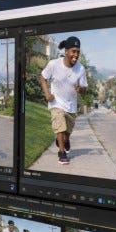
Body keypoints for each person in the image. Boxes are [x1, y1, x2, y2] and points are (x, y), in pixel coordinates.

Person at [39, 36, 88, 166]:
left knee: (67, 131)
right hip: (56, 103)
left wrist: (80, 88)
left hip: (71, 105)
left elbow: (84, 89)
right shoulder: (54, 64)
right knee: (60, 126)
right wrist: (47, 94)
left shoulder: (81, 69)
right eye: (73, 51)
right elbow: (42, 78)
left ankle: (65, 140)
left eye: (78, 52)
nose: (76, 55)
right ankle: (62, 152)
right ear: (66, 51)